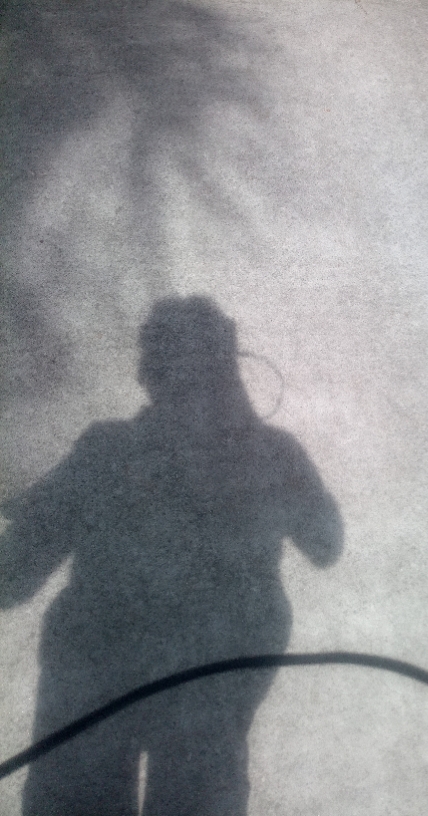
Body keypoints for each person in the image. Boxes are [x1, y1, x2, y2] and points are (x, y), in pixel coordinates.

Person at [1, 296, 343, 815]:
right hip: (181, 693)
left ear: (149, 375)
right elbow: (326, 544)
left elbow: (13, 574)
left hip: (119, 692)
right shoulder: (269, 456)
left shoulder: (106, 453)